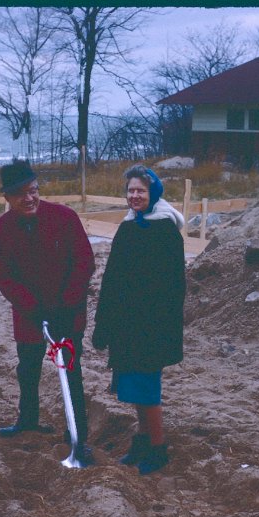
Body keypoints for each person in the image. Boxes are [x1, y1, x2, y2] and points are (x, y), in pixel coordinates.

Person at [0, 159, 96, 466]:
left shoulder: (64, 217)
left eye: (33, 190)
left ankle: (78, 437)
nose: (29, 198)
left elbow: (84, 261)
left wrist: (67, 303)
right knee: (28, 367)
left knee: (70, 371)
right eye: (20, 193)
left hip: (68, 311)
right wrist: (33, 309)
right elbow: (3, 277)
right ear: (6, 198)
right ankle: (28, 419)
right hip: (29, 314)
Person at [92, 164, 186, 475]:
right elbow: (113, 280)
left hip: (152, 325)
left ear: (153, 193)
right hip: (126, 325)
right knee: (132, 386)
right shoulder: (128, 227)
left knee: (147, 388)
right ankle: (143, 440)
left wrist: (159, 324)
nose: (135, 195)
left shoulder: (165, 230)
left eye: (140, 191)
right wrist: (103, 325)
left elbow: (174, 285)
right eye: (131, 190)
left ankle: (158, 448)